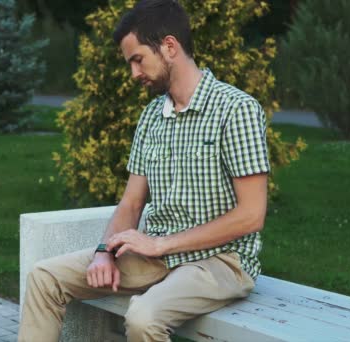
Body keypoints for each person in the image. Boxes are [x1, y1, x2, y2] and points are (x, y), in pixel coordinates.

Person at [18, 0, 270, 341]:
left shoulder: (236, 109)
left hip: (220, 261)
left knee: (143, 317)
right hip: (156, 255)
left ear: (169, 46)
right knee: (44, 277)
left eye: (138, 60)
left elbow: (251, 216)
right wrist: (104, 253)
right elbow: (131, 204)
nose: (134, 73)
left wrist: (161, 244)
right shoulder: (152, 116)